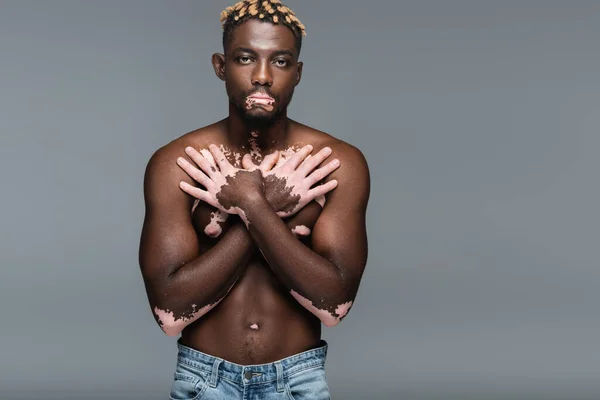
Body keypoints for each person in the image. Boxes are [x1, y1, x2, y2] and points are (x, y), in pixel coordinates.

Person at [138, 1, 370, 398]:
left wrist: (252, 208)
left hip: (299, 381)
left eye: (280, 62)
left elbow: (335, 306)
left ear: (297, 74)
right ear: (220, 65)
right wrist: (263, 208)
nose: (262, 76)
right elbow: (169, 315)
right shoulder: (179, 163)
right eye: (246, 58)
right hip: (202, 381)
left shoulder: (333, 163)